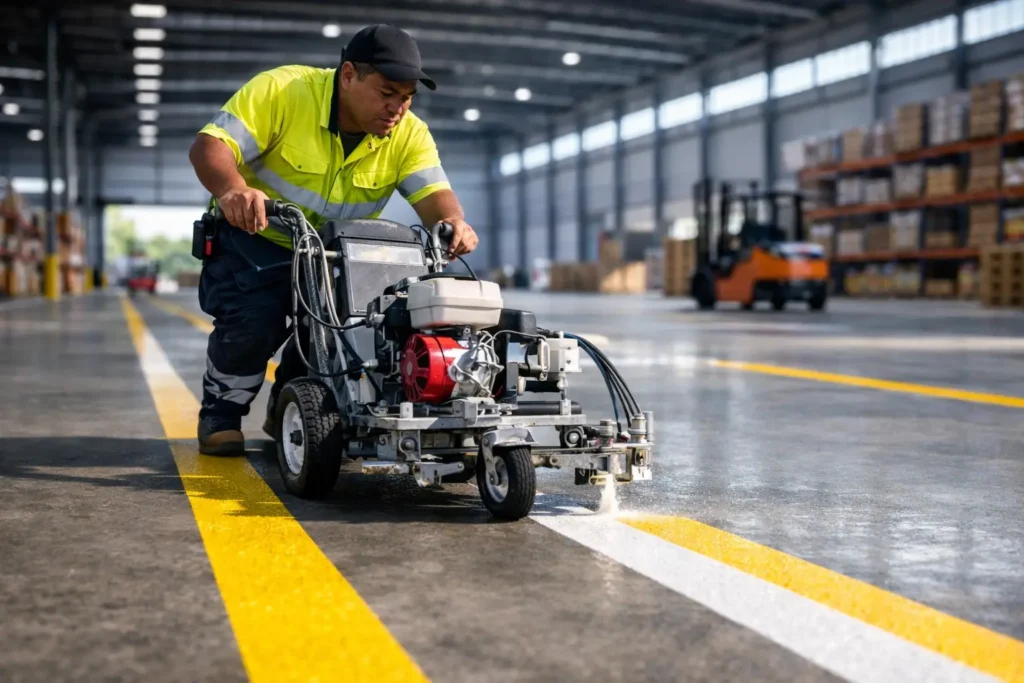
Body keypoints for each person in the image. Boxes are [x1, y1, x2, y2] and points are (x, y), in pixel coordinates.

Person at [188, 24, 479, 456]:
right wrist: (233, 190)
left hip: (333, 253)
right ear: (348, 76)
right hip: (256, 236)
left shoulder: (408, 134)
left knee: (343, 332)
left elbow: (434, 194)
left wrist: (455, 221)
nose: (397, 107)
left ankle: (287, 408)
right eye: (386, 92)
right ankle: (221, 413)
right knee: (256, 321)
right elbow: (209, 146)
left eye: (406, 96)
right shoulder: (284, 91)